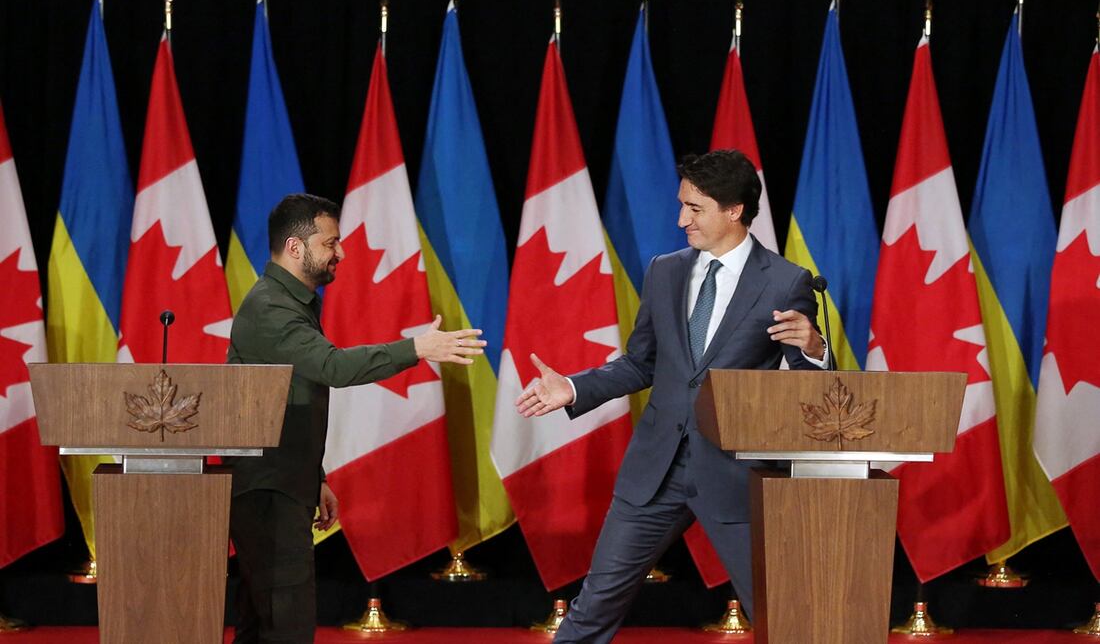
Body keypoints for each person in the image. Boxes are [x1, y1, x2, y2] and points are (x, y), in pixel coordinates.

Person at [515, 150, 827, 643]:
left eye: (695, 208)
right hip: (655, 470)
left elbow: (811, 391)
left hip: (736, 472)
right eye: (682, 205)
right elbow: (643, 362)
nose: (681, 219)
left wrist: (813, 348)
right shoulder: (666, 270)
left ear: (734, 211)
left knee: (783, 613)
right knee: (592, 609)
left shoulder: (787, 282)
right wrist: (573, 387)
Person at [224, 193, 485, 644]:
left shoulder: (291, 301)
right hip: (267, 491)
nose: (341, 253)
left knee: (264, 620)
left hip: (282, 482)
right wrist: (417, 348)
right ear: (295, 248)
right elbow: (333, 367)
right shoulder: (270, 307)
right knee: (283, 625)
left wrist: (315, 477)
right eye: (331, 243)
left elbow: (286, 404)